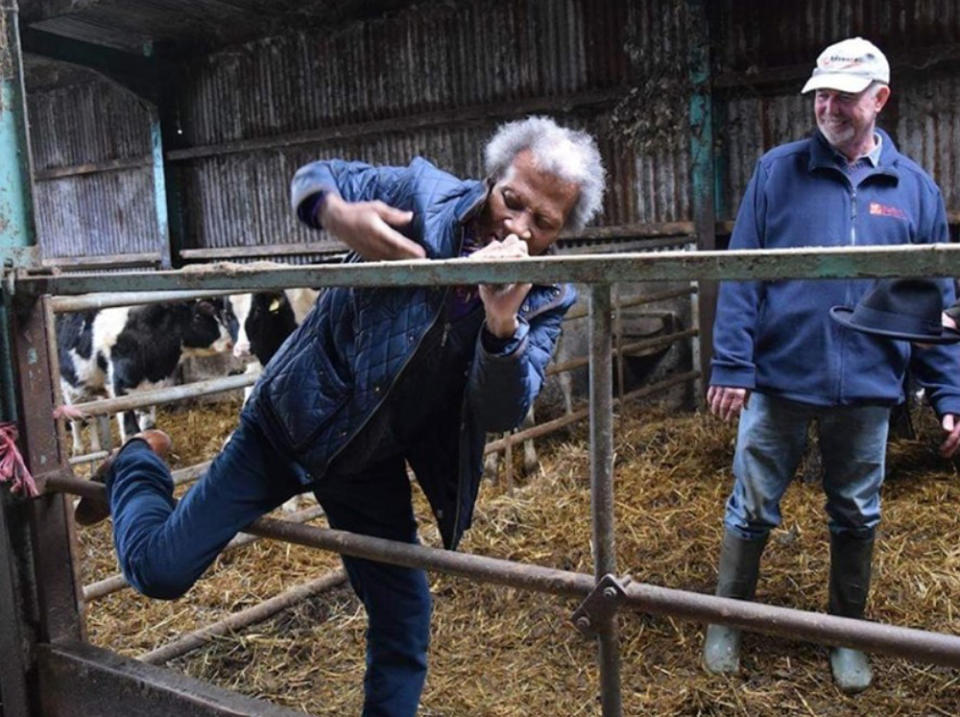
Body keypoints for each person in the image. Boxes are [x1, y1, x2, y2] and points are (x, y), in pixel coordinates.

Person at [75, 115, 605, 716]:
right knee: (157, 571)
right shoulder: (421, 196)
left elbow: (504, 410)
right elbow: (315, 176)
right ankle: (139, 459)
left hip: (368, 457)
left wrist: (500, 325)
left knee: (404, 617)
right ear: (491, 178)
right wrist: (333, 211)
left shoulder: (546, 295)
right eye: (513, 200)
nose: (517, 225)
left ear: (560, 233)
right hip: (288, 422)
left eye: (543, 222)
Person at [701, 37, 960, 693]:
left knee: (856, 513)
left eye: (843, 95)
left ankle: (848, 632)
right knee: (752, 506)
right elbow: (739, 274)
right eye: (820, 92)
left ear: (880, 99)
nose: (827, 105)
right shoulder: (776, 172)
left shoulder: (915, 191)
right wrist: (732, 362)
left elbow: (937, 302)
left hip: (869, 387)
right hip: (781, 378)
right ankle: (726, 620)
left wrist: (951, 393)